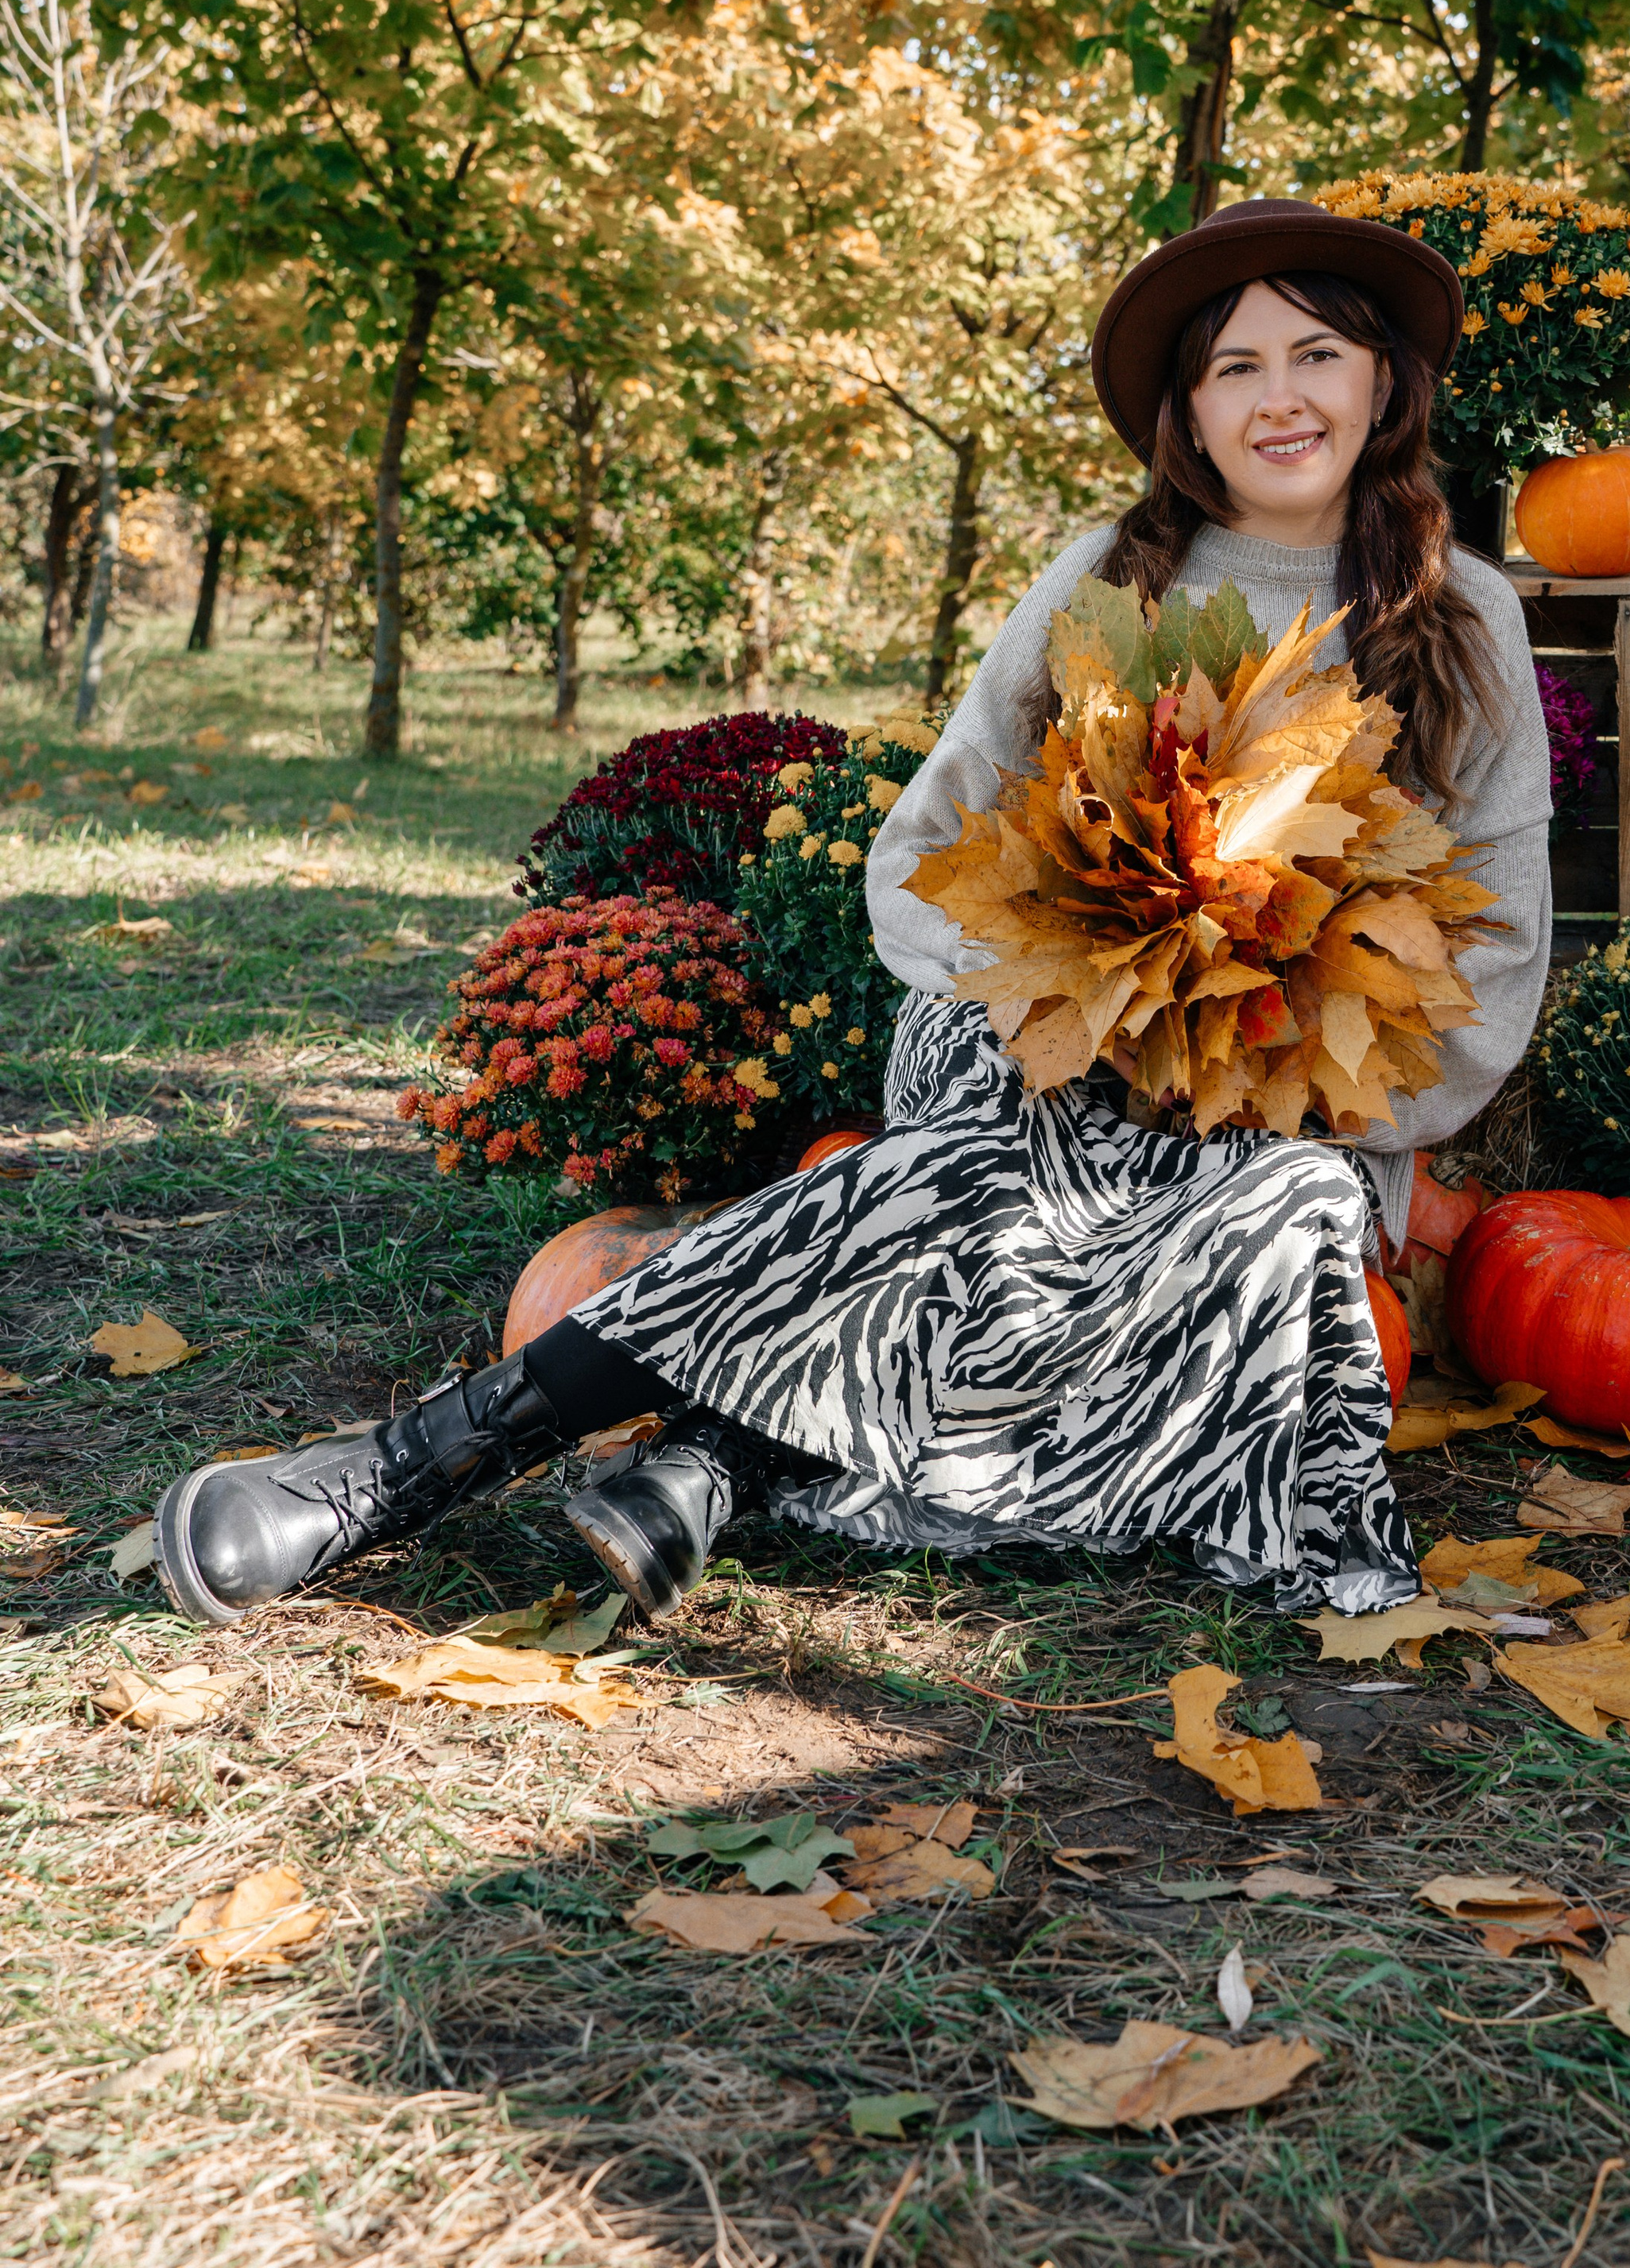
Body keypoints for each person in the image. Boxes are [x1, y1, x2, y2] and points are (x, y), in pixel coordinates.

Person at [152, 197, 1553, 1631]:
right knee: (1006, 1152)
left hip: (1286, 1122)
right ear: (1186, 412)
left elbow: (1494, 959)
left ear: (1385, 380)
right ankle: (423, 1467)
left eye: (1315, 353)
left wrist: (1273, 1087)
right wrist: (1066, 1004)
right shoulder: (1107, 582)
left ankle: (711, 1458)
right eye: (1234, 367)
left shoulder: (1463, 620)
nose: (1280, 398)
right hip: (1029, 1061)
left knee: (1279, 1213)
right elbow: (926, 851)